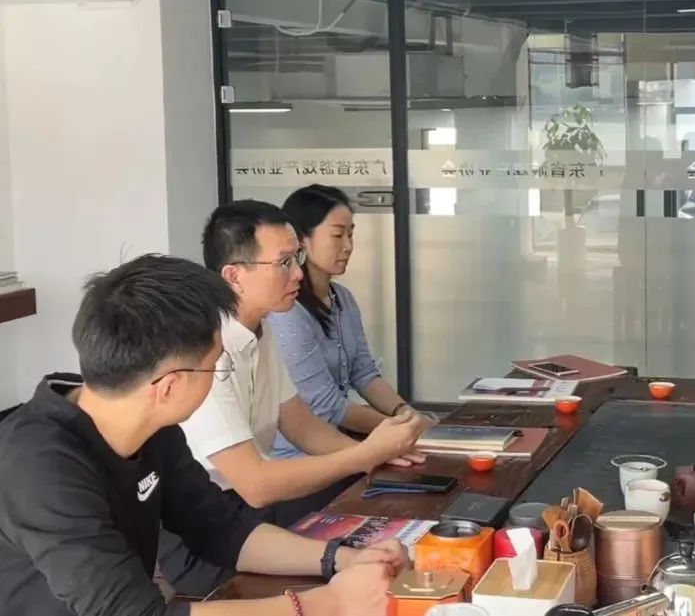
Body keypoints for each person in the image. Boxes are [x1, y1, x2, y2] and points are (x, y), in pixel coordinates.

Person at [0, 255, 406, 616]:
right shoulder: (39, 468)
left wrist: (343, 558)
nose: (216, 377)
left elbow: (221, 528)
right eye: (215, 366)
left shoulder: (153, 426)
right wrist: (328, 604)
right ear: (170, 386)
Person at [160, 200, 424, 596]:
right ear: (234, 276)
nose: (299, 272)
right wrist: (365, 454)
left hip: (252, 512)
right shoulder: (204, 350)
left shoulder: (261, 328)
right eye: (283, 262)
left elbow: (302, 425)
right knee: (368, 544)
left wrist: (376, 453)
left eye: (296, 258)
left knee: (389, 500)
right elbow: (256, 485)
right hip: (208, 536)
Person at [270, 185, 425, 457]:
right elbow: (327, 405)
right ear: (301, 240)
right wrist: (405, 429)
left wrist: (405, 412)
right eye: (337, 235)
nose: (348, 246)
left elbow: (364, 373)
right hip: (297, 457)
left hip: (342, 445)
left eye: (351, 234)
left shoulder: (343, 298)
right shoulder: (287, 310)